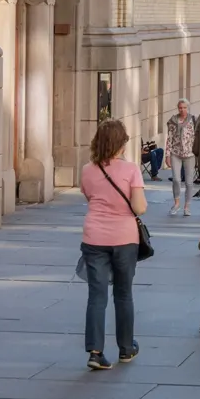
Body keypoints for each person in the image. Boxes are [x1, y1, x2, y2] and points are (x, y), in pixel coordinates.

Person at [79, 119, 146, 370]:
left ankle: (95, 352)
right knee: (123, 293)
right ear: (120, 143)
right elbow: (139, 207)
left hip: (94, 237)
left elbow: (88, 196)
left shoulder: (88, 169)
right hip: (124, 238)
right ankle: (126, 348)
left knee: (96, 295)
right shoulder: (131, 170)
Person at [164, 98, 198, 217]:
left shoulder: (193, 120)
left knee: (189, 182)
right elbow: (169, 139)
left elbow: (196, 137)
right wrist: (167, 155)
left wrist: (198, 153)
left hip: (190, 154)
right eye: (180, 108)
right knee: (176, 180)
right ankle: (177, 203)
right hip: (176, 153)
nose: (182, 110)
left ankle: (187, 206)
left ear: (187, 108)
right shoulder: (173, 121)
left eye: (184, 107)